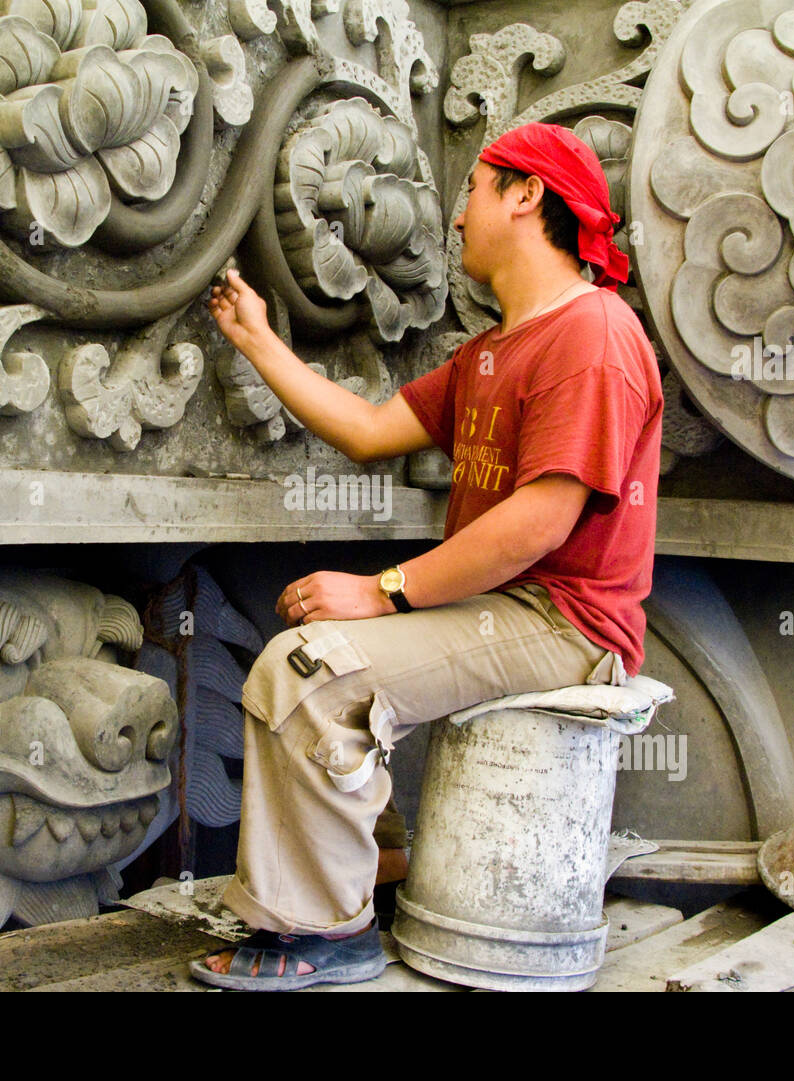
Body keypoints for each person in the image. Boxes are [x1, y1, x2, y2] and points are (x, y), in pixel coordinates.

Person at [188, 122, 663, 990]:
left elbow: (538, 525)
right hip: (503, 608)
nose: (455, 219)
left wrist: (382, 589)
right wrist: (256, 338)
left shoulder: (593, 335)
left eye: (475, 188)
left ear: (527, 195)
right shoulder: (488, 353)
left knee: (309, 669)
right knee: (308, 636)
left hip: (565, 620)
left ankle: (327, 932)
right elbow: (370, 431)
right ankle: (382, 861)